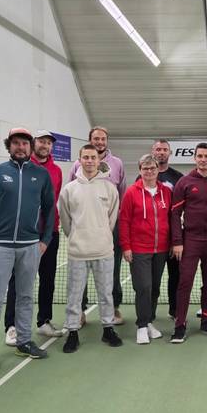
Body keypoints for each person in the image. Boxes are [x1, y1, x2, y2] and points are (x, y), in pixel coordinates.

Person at [0, 128, 55, 372]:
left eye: (24, 143)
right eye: (16, 143)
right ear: (9, 146)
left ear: (30, 147)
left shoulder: (41, 174)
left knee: (25, 297)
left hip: (30, 246)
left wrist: (44, 240)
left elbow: (50, 209)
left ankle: (23, 341)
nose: (20, 147)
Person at [58, 144, 123, 353]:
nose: (89, 161)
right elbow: (65, 220)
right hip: (78, 252)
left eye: (93, 157)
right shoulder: (69, 189)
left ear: (98, 160)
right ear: (80, 160)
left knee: (106, 293)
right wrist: (76, 236)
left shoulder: (109, 188)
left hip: (103, 251)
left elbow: (111, 218)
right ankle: (72, 332)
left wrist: (102, 234)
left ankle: (108, 329)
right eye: (85, 157)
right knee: (74, 295)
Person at [3, 130, 63, 346]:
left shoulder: (56, 171)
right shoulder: (22, 168)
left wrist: (49, 231)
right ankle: (12, 326)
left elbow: (52, 202)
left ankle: (44, 321)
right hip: (24, 235)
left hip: (50, 233)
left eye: (48, 143)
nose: (45, 145)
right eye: (41, 141)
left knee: (48, 279)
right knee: (18, 280)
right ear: (33, 144)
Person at [69, 126, 126, 326]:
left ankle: (114, 307)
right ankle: (80, 310)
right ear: (90, 140)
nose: (100, 142)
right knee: (80, 272)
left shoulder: (117, 163)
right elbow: (70, 194)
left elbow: (121, 193)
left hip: (110, 227)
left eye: (103, 139)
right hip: (83, 228)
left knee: (113, 269)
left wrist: (112, 224)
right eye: (96, 139)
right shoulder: (77, 164)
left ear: (106, 141)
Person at [169, 143, 207, 343]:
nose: (203, 159)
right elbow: (175, 214)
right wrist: (177, 241)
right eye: (199, 156)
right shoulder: (184, 182)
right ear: (194, 158)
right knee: (185, 282)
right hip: (190, 240)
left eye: (206, 156)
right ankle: (180, 325)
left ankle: (206, 321)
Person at [120, 155, 171, 345]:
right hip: (139, 249)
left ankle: (149, 321)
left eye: (152, 168)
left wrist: (172, 243)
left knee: (155, 288)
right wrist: (126, 247)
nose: (149, 172)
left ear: (158, 170)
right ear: (140, 170)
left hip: (161, 249)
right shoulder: (131, 193)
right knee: (143, 287)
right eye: (145, 168)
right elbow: (124, 221)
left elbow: (171, 218)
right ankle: (141, 326)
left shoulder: (166, 192)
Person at [150, 139, 183, 320]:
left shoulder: (178, 177)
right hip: (151, 240)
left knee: (176, 276)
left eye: (164, 149)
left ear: (169, 153)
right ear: (153, 152)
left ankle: (175, 310)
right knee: (152, 279)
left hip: (174, 238)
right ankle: (149, 314)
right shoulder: (144, 176)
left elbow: (180, 210)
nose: (161, 152)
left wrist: (176, 239)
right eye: (158, 149)